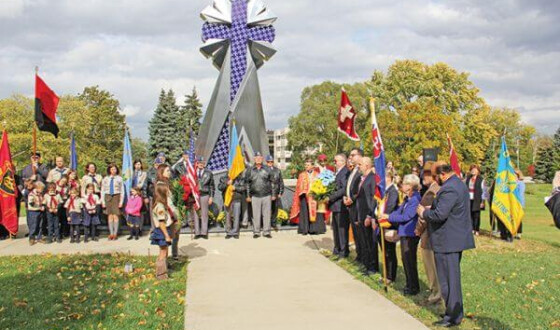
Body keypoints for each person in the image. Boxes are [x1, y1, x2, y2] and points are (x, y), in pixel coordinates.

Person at [418, 164, 475, 327]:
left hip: (448, 240)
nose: (436, 180)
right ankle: (452, 311)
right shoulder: (458, 184)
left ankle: (453, 316)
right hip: (452, 238)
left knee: (448, 280)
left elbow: (440, 215)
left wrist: (423, 212)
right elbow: (447, 209)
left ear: (443, 174)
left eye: (437, 177)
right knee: (451, 279)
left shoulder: (449, 188)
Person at [382, 174, 421, 295]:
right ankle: (409, 284)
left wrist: (388, 216)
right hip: (404, 232)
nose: (402, 186)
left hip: (410, 233)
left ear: (410, 186)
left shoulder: (415, 199)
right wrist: (388, 216)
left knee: (410, 260)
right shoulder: (407, 199)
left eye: (404, 183)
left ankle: (413, 286)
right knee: (405, 260)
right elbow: (399, 212)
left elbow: (407, 216)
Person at [414, 161, 443, 305]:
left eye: (426, 174)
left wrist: (418, 230)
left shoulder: (432, 191)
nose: (423, 176)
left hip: (429, 235)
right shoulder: (435, 188)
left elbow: (424, 215)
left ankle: (436, 296)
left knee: (432, 268)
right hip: (433, 235)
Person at [353, 157, 378, 275]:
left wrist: (370, 215)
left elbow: (373, 198)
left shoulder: (372, 178)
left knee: (370, 242)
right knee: (365, 241)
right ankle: (367, 264)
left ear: (367, 165)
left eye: (360, 164)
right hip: (361, 214)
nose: (358, 166)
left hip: (368, 214)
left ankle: (373, 267)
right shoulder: (363, 178)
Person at [290, 158, 326, 235]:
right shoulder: (302, 175)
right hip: (304, 197)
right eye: (305, 165)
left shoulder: (317, 174)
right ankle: (304, 229)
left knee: (315, 212)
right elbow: (298, 187)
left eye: (308, 165)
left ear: (312, 166)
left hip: (314, 197)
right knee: (305, 213)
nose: (306, 166)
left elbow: (320, 186)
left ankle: (314, 229)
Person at [246, 152, 275, 238]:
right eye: (256, 157)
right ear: (254, 159)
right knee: (256, 215)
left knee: (266, 214)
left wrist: (273, 194)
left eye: (260, 157)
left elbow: (272, 182)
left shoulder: (267, 169)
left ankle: (266, 232)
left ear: (262, 159)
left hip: (266, 195)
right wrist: (248, 196)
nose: (258, 159)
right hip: (255, 196)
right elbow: (247, 184)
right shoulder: (250, 170)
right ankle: (256, 232)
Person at [327, 153, 350, 258]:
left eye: (336, 161)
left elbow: (343, 189)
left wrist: (331, 197)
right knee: (335, 229)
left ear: (343, 161)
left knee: (341, 230)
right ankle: (337, 249)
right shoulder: (337, 173)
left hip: (341, 205)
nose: (334, 163)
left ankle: (343, 251)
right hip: (335, 205)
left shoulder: (345, 172)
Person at [344, 148, 364, 264]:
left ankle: (362, 256)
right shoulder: (353, 170)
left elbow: (360, 189)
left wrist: (352, 198)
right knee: (355, 233)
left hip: (357, 206)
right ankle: (359, 255)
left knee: (360, 233)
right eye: (350, 155)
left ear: (359, 156)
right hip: (350, 205)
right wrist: (346, 197)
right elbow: (349, 186)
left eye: (353, 155)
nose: (350, 157)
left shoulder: (360, 171)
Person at [150, 182, 174, 280]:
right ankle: (161, 275)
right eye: (167, 189)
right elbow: (161, 223)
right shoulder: (160, 206)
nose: (169, 191)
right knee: (163, 253)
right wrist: (167, 236)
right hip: (162, 231)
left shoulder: (161, 204)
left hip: (161, 230)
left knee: (163, 251)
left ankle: (162, 272)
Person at [156, 164, 180, 260]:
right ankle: (162, 270)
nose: (169, 172)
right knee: (163, 247)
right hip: (166, 216)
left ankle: (165, 264)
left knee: (170, 240)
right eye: (167, 171)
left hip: (171, 213)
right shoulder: (160, 185)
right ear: (161, 172)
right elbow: (166, 202)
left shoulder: (167, 183)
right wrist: (175, 215)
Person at [379, 172, 399, 283]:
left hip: (388, 224)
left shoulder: (393, 191)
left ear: (389, 178)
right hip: (381, 223)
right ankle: (386, 273)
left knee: (389, 251)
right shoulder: (384, 191)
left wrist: (382, 217)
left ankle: (391, 276)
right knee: (384, 250)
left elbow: (390, 207)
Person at [218, 172, 246, 239]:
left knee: (236, 217)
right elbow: (219, 187)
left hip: (236, 200)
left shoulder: (240, 178)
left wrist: (235, 187)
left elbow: (243, 188)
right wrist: (226, 184)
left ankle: (235, 232)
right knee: (228, 217)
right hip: (227, 201)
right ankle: (229, 232)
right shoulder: (223, 178)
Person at [192, 156, 214, 239]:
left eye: (202, 163)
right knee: (196, 213)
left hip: (205, 195)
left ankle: (204, 232)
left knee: (204, 214)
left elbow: (212, 186)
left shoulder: (209, 173)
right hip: (195, 196)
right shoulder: (193, 172)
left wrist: (211, 197)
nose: (201, 164)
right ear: (197, 164)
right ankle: (197, 232)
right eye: (199, 163)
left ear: (204, 164)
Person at [101, 163, 124, 240]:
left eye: (114, 169)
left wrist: (121, 201)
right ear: (109, 170)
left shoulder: (119, 178)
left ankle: (115, 233)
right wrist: (103, 201)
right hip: (107, 197)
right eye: (112, 169)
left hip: (116, 196)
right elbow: (102, 190)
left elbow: (122, 190)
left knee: (116, 215)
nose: (113, 170)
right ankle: (111, 233)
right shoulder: (106, 179)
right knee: (110, 215)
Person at [465, 164, 485, 236]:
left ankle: (477, 229)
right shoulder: (468, 178)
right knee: (469, 214)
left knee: (476, 215)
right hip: (469, 199)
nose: (473, 171)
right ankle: (471, 229)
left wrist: (482, 201)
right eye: (472, 169)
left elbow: (483, 191)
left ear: (478, 171)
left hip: (477, 199)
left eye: (475, 170)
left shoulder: (481, 179)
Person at [266, 155, 284, 229]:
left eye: (271, 161)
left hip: (276, 192)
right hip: (266, 192)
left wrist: (280, 192)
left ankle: (273, 223)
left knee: (274, 209)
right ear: (266, 162)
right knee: (266, 209)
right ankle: (265, 223)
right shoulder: (263, 170)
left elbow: (281, 182)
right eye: (268, 162)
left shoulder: (277, 170)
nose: (270, 163)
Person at [27, 181, 45, 245]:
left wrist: (43, 205)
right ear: (37, 188)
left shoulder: (40, 194)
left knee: (40, 225)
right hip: (33, 212)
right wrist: (39, 207)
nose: (42, 190)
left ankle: (39, 237)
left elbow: (42, 201)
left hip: (40, 211)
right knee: (33, 225)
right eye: (41, 189)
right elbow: (32, 204)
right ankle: (31, 238)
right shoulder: (31, 194)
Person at [514, 169, 526, 239]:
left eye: (515, 175)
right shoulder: (510, 183)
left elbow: (520, 194)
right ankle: (513, 232)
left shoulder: (520, 183)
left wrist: (519, 204)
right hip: (512, 203)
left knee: (518, 219)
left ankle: (519, 233)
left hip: (519, 203)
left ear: (518, 176)